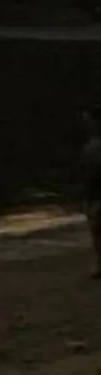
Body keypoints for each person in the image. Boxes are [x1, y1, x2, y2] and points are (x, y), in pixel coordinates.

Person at [78, 108, 101, 279]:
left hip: (96, 193)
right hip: (93, 193)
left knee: (97, 230)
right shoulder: (91, 145)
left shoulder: (94, 146)